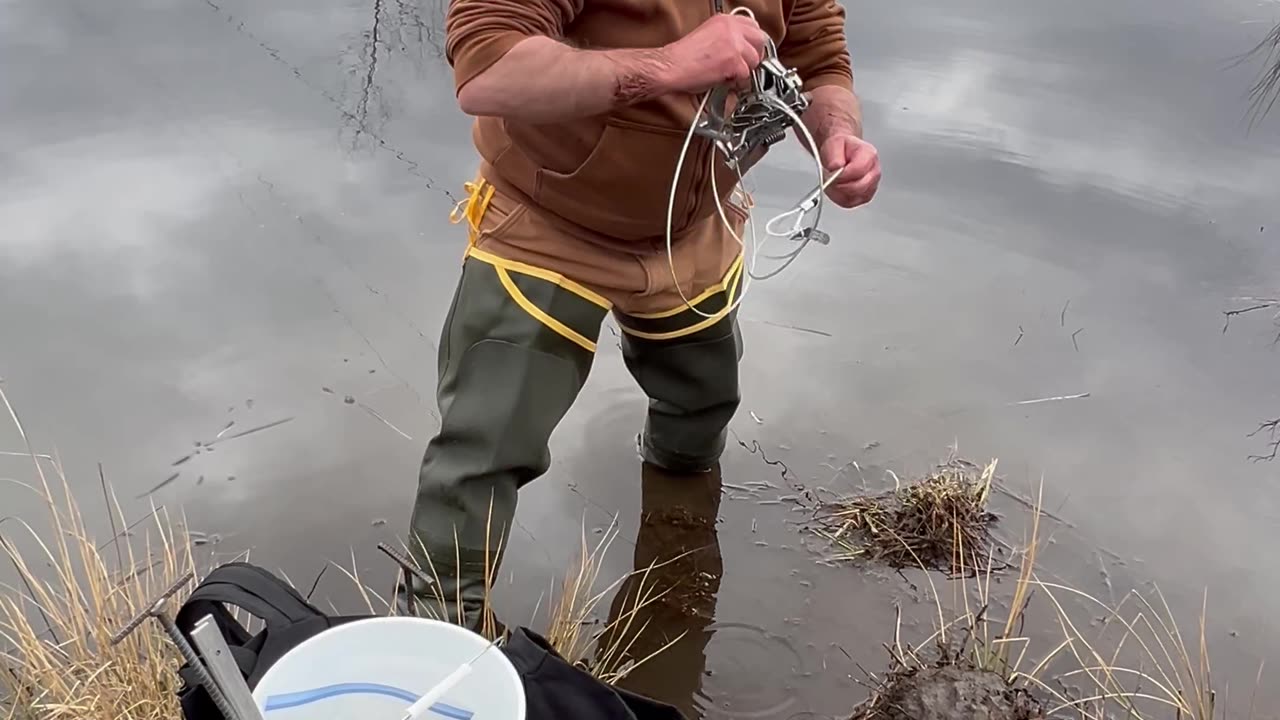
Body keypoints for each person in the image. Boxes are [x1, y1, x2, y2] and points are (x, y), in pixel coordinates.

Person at [399, 0, 882, 626]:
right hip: (546, 226)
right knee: (484, 448)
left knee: (701, 410)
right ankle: (438, 638)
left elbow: (820, 61)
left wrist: (835, 137)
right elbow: (488, 69)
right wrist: (671, 64)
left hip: (698, 225)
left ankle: (672, 585)